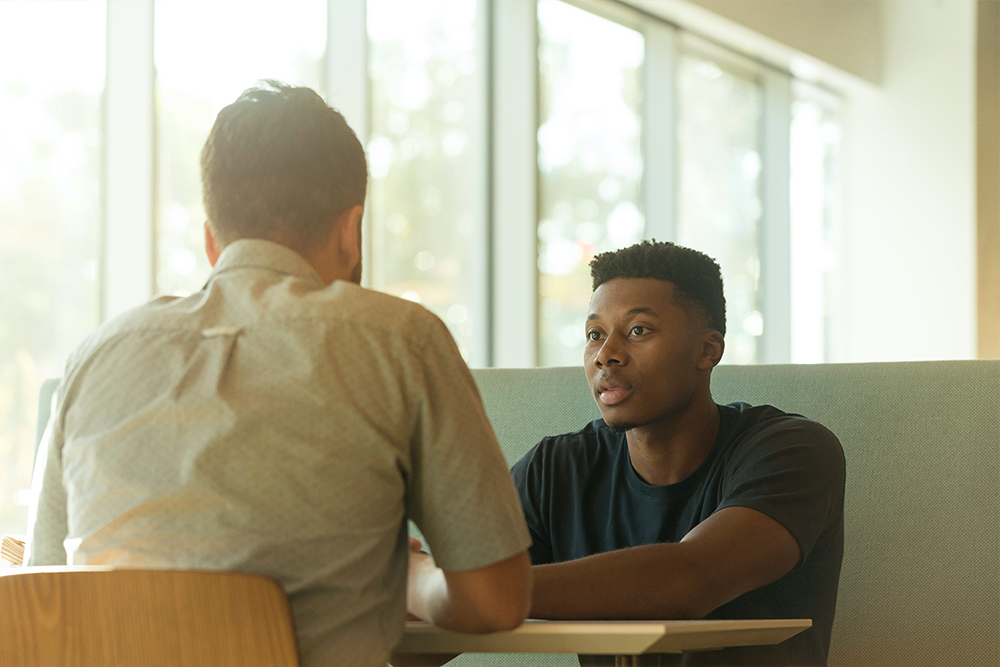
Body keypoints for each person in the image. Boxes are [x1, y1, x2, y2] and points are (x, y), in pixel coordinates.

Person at [26, 81, 531, 667]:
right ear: (352, 231)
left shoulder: (95, 355)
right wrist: (414, 577)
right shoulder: (401, 340)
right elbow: (494, 602)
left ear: (212, 241)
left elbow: (44, 594)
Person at [511, 240, 845, 666]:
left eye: (638, 331)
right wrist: (418, 586)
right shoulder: (556, 469)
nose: (605, 355)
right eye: (595, 334)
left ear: (708, 350)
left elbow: (687, 582)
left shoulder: (794, 451)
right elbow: (424, 650)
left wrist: (468, 591)